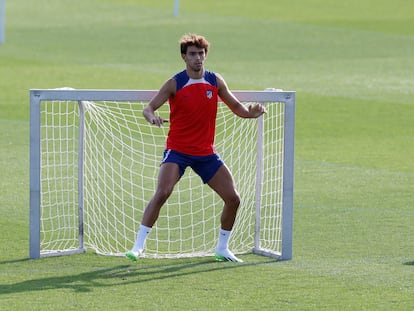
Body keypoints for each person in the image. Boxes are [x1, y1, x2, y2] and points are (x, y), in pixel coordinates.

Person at [126, 33, 266, 263]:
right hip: (178, 151)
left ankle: (222, 248)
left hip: (206, 153)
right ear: (184, 57)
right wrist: (152, 118)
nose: (198, 58)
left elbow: (237, 107)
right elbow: (148, 108)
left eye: (201, 54)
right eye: (193, 54)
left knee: (234, 198)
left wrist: (252, 112)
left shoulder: (215, 81)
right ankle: (138, 246)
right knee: (162, 192)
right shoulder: (175, 83)